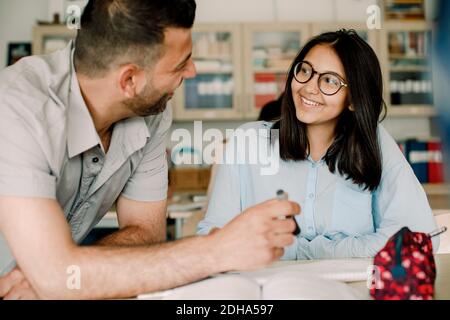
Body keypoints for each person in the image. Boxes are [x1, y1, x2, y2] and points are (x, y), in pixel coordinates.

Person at [0, 0, 299, 299]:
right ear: (129, 80)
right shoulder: (16, 109)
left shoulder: (151, 111)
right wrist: (218, 250)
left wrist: (67, 270)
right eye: (181, 64)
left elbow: (145, 234)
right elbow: (56, 276)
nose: (192, 71)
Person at [198, 30, 439, 259]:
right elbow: (212, 237)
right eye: (305, 71)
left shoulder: (373, 142)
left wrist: (298, 250)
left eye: (330, 81)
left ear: (354, 100)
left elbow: (419, 238)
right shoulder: (247, 141)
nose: (309, 87)